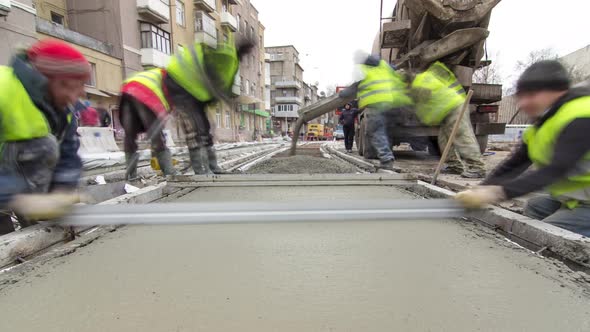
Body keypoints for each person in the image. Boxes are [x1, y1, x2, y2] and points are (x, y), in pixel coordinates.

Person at [455, 60, 590, 237]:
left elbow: (555, 170)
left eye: (531, 95)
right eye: (521, 96)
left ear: (558, 92)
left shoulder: (581, 115)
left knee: (544, 236)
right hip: (577, 196)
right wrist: (479, 190)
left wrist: (498, 192)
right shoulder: (542, 124)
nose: (522, 103)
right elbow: (513, 165)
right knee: (535, 206)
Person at [120, 28, 253, 178]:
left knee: (131, 136)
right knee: (172, 133)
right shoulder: (169, 78)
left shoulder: (221, 60)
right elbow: (215, 84)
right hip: (159, 90)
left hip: (128, 87)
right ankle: (179, 172)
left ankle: (130, 176)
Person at [0, 39, 88, 235]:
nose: (78, 95)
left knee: (47, 146)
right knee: (43, 145)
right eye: (75, 86)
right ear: (50, 79)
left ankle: (34, 220)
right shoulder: (3, 89)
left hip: (14, 176)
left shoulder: (62, 108)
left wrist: (61, 192)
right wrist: (15, 197)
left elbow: (68, 154)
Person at [410, 62, 486, 178]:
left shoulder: (419, 84)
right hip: (446, 111)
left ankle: (477, 167)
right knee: (444, 141)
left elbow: (423, 108)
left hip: (454, 107)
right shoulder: (424, 77)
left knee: (462, 137)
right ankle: (455, 166)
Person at [355, 55, 414, 170]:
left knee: (376, 131)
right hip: (391, 104)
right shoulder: (385, 66)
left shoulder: (363, 69)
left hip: (376, 104)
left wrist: (345, 93)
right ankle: (387, 156)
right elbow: (396, 72)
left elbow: (354, 87)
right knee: (384, 129)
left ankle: (386, 159)